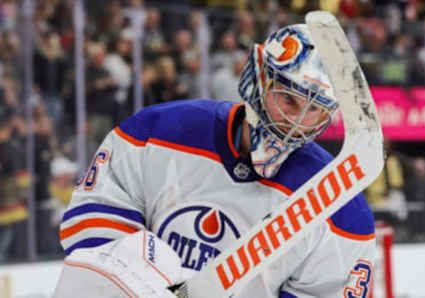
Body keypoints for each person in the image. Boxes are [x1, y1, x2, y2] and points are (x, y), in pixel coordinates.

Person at [54, 22, 376, 298]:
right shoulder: (158, 131)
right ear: (260, 80)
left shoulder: (340, 207)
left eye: (313, 111)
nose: (296, 122)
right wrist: (144, 287)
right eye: (289, 100)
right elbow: (91, 231)